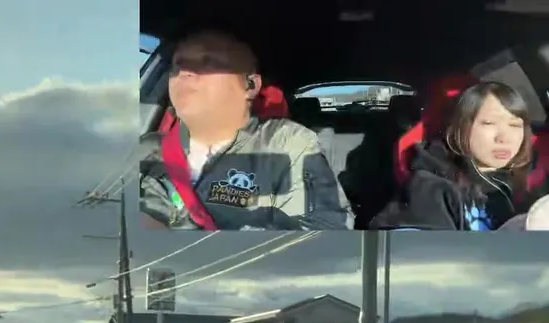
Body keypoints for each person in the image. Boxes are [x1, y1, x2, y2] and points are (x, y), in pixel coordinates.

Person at [138, 29, 353, 231]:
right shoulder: (147, 147)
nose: (185, 72)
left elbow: (325, 232)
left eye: (208, 63)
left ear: (250, 85)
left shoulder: (287, 143)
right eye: (178, 65)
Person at [372, 80, 546, 231]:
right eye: (489, 123)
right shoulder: (432, 189)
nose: (504, 138)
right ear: (460, 128)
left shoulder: (525, 183)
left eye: (515, 126)